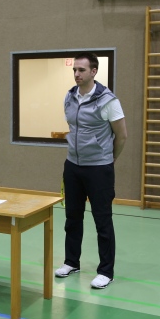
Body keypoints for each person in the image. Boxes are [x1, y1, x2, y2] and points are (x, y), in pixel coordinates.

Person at [55, 53, 127, 290]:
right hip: (73, 166)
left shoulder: (108, 101)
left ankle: (106, 271)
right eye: (74, 70)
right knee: (72, 218)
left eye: (81, 70)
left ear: (94, 72)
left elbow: (122, 135)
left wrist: (109, 159)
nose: (76, 74)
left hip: (99, 169)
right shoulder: (69, 96)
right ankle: (71, 262)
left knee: (102, 220)